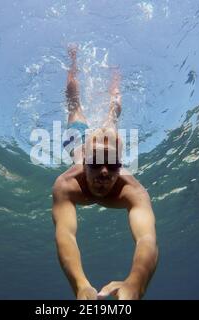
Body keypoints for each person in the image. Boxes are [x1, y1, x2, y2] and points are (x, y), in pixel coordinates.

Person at [52, 45, 158, 300]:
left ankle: (116, 77)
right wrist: (80, 284)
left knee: (113, 114)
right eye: (96, 163)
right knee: (73, 102)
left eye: (111, 165)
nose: (103, 172)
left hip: (99, 141)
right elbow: (65, 233)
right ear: (84, 163)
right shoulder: (67, 184)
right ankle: (73, 61)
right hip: (77, 139)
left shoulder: (132, 191)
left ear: (121, 166)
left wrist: (136, 284)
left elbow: (147, 239)